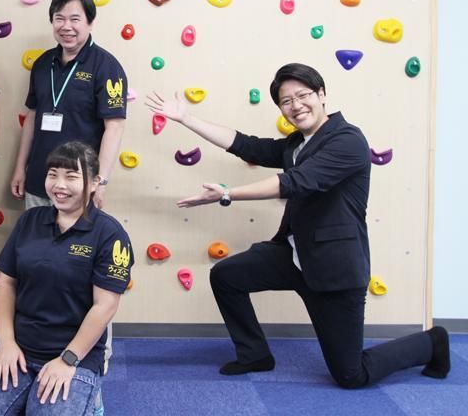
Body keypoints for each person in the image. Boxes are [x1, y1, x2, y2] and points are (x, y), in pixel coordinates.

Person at [145, 63, 450, 388]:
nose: (296, 106)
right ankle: (255, 354)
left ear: (322, 95)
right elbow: (246, 145)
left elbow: (295, 182)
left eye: (303, 96)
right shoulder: (296, 144)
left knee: (351, 375)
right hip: (293, 255)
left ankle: (432, 342)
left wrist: (227, 194)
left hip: (334, 269)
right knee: (226, 275)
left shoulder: (348, 140)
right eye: (286, 101)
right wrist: (187, 119)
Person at [0, 141, 133, 415]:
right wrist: (6, 343)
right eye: (53, 174)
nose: (59, 185)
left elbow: (105, 306)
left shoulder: (110, 234)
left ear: (94, 183)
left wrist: (68, 360)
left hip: (75, 356)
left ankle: (90, 397)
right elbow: (7, 282)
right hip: (21, 349)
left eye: (71, 176)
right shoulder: (29, 220)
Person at [10, 0, 127, 211]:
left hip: (79, 186)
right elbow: (32, 116)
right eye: (59, 19)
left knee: (74, 235)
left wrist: (100, 182)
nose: (66, 26)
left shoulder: (107, 67)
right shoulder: (42, 63)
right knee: (35, 234)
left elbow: (114, 127)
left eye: (75, 19)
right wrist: (20, 168)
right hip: (39, 180)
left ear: (90, 23)